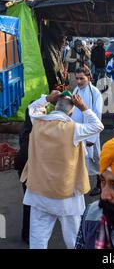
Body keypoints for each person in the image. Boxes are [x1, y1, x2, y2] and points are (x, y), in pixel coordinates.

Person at [20, 91, 104, 249]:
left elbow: (32, 108)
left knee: (38, 238)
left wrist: (46, 98)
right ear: (71, 111)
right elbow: (98, 126)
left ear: (54, 107)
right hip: (66, 196)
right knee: (74, 240)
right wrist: (84, 107)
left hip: (39, 193)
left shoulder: (38, 122)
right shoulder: (74, 129)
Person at [72, 67, 104, 197]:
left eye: (82, 78)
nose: (79, 81)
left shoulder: (95, 93)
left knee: (96, 159)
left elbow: (97, 116)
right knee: (80, 159)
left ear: (89, 78)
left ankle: (100, 184)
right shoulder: (76, 90)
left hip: (90, 135)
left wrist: (92, 138)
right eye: (77, 78)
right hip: (78, 132)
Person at [14, 106, 34, 245]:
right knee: (32, 203)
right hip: (29, 169)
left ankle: (26, 233)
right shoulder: (37, 131)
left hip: (22, 168)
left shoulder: (25, 128)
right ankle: (28, 234)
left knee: (28, 201)